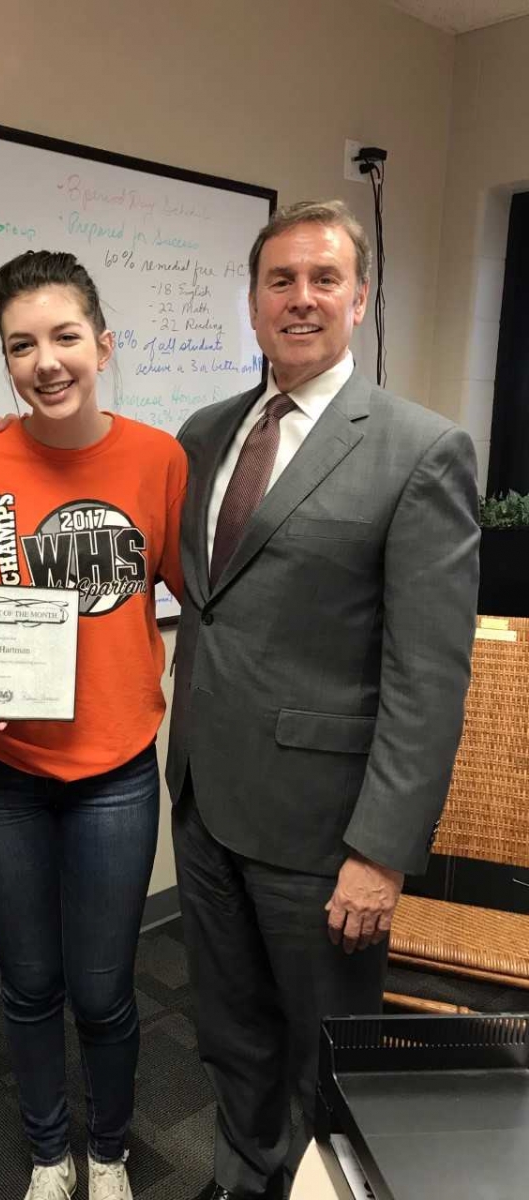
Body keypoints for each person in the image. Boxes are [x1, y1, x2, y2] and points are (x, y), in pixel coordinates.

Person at [166, 201, 480, 1200]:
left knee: (330, 1051)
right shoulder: (206, 435)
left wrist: (382, 853)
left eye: (323, 279)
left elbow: (428, 677)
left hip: (327, 834)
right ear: (254, 301)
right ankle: (248, 1174)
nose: (300, 298)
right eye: (279, 280)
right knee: (229, 1030)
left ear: (359, 297)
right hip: (208, 801)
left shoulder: (419, 451)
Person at [0, 249, 187, 1200]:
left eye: (66, 338)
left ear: (102, 343)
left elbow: (196, 594)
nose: (46, 361)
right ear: (4, 358)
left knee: (104, 989)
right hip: (0, 772)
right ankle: (50, 1153)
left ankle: (112, 1150)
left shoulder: (159, 458)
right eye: (22, 344)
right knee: (29, 984)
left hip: (116, 770)